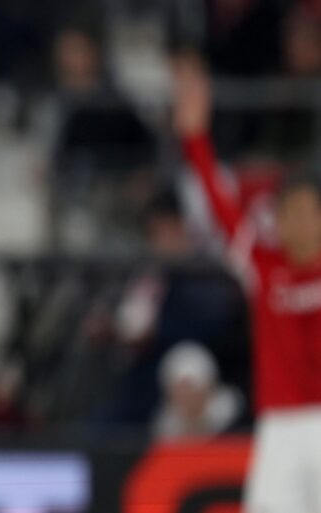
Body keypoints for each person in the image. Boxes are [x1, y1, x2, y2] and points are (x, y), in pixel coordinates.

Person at [173, 51, 321, 513]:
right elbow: (223, 208)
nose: (298, 223)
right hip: (280, 428)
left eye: (307, 212)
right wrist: (195, 138)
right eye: (288, 213)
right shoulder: (263, 265)